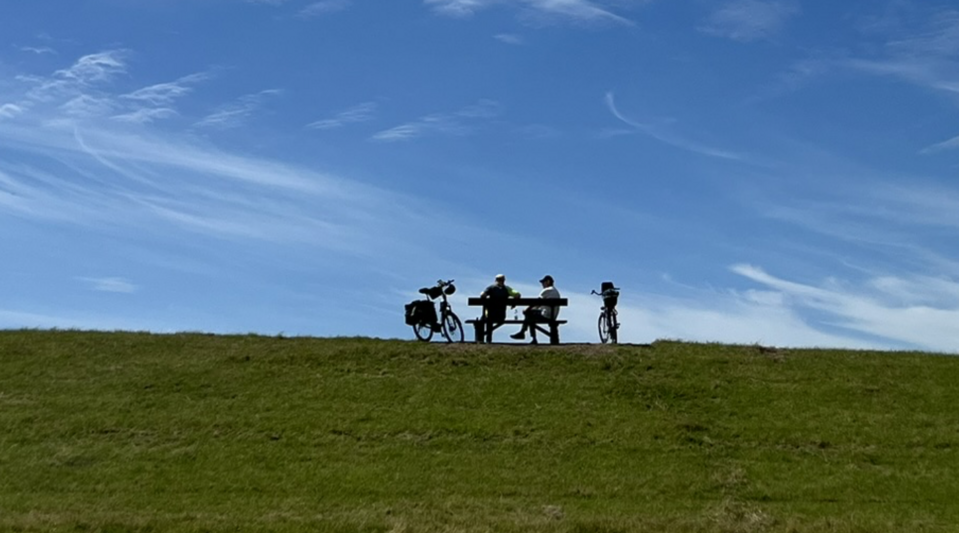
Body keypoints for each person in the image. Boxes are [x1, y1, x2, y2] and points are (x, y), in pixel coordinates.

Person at [511, 275, 560, 344]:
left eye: (543, 282)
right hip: (553, 316)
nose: (542, 284)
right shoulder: (555, 291)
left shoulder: (547, 290)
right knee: (530, 315)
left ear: (548, 282)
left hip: (546, 315)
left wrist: (527, 309)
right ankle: (525, 334)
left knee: (529, 315)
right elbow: (539, 304)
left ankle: (526, 334)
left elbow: (537, 301)